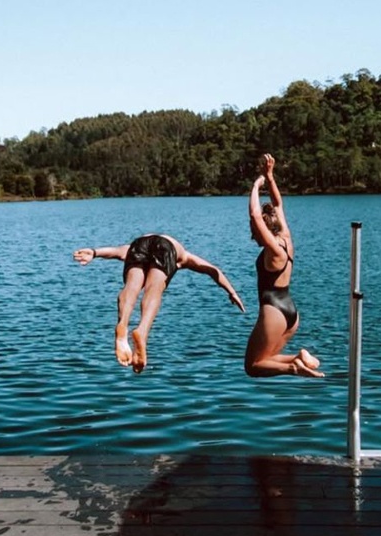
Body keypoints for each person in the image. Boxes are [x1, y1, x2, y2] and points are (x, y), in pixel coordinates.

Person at [73, 233, 245, 373]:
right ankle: (142, 331)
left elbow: (118, 251)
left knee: (132, 286)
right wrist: (231, 292)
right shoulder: (184, 256)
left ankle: (122, 324)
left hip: (138, 243)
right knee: (154, 289)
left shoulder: (138, 244)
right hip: (166, 246)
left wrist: (94, 252)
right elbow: (212, 270)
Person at [244, 154, 324, 378]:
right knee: (265, 360)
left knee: (252, 366)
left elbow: (255, 215)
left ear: (265, 231)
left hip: (274, 310)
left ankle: (294, 367)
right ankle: (299, 358)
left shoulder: (274, 249)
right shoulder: (286, 238)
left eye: (255, 233)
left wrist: (255, 186)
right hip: (290, 310)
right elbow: (278, 204)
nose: (254, 237)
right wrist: (269, 177)